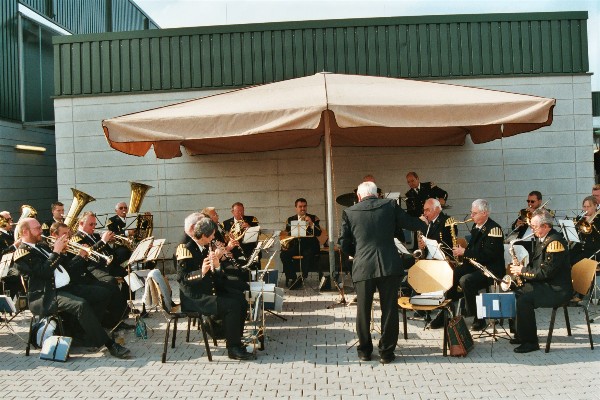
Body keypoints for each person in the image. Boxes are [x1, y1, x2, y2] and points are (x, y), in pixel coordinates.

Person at [12, 218, 130, 358]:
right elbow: (43, 272)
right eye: (37, 228)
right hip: (46, 295)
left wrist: (68, 254)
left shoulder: (41, 246)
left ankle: (85, 334)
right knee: (81, 305)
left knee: (103, 293)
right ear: (25, 232)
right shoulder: (22, 254)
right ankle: (109, 344)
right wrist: (56, 252)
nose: (41, 231)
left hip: (65, 288)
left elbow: (65, 268)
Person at [338, 181, 426, 364]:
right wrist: (423, 222)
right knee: (389, 309)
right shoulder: (390, 205)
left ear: (359, 197)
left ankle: (364, 351)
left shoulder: (349, 212)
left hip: (363, 266)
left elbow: (343, 243)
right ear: (377, 194)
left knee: (363, 310)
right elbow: (409, 223)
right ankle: (386, 352)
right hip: (388, 264)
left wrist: (358, 254)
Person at [176, 214, 254, 360]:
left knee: (240, 300)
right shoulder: (186, 249)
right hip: (194, 297)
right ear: (204, 235)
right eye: (211, 235)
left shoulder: (204, 247)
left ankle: (236, 338)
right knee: (232, 305)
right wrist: (202, 272)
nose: (213, 238)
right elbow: (182, 279)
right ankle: (233, 348)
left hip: (206, 291)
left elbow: (214, 276)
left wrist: (217, 266)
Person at [509, 210, 572, 353]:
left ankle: (531, 343)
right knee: (517, 291)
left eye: (534, 227)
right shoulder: (542, 239)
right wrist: (522, 274)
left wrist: (522, 271)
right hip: (548, 284)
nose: (532, 230)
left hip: (558, 289)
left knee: (525, 300)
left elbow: (546, 273)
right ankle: (522, 334)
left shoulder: (555, 242)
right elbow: (537, 266)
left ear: (545, 226)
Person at [450, 199, 505, 331]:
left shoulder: (494, 229)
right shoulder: (476, 226)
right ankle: (449, 309)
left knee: (466, 280)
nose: (471, 216)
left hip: (491, 269)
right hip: (477, 264)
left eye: (474, 213)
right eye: (471, 213)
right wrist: (463, 253)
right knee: (454, 272)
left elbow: (489, 255)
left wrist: (465, 252)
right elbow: (474, 249)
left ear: (485, 213)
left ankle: (478, 317)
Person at [280, 198, 322, 289]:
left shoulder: (313, 218)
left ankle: (303, 276)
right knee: (284, 255)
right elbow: (288, 234)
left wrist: (311, 224)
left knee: (308, 253)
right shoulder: (290, 219)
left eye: (304, 206)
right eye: (300, 207)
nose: (303, 208)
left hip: (310, 245)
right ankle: (293, 277)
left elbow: (319, 233)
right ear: (296, 208)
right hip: (296, 245)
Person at [404, 172, 448, 249]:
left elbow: (444, 193)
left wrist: (441, 200)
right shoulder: (408, 195)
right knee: (420, 246)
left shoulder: (429, 186)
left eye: (412, 180)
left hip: (434, 221)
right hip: (420, 223)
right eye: (408, 182)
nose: (411, 183)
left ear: (417, 178)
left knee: (435, 241)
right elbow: (410, 212)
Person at [509, 191, 547, 256]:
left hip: (536, 241)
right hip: (522, 240)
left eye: (532, 201)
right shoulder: (526, 211)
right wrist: (517, 225)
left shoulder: (545, 212)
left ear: (540, 201)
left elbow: (544, 226)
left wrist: (535, 214)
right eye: (528, 201)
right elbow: (514, 227)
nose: (530, 203)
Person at [570, 196, 600, 264]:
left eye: (588, 206)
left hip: (594, 250)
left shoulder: (598, 219)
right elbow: (575, 234)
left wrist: (592, 224)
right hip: (581, 247)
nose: (586, 209)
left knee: (576, 261)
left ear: (595, 206)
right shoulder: (581, 218)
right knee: (566, 258)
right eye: (584, 206)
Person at [106, 202, 134, 268]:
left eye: (125, 208)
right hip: (120, 245)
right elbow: (113, 234)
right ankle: (125, 269)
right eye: (121, 208)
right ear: (116, 211)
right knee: (124, 252)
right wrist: (127, 233)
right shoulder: (111, 220)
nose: (123, 209)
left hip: (133, 243)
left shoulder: (132, 218)